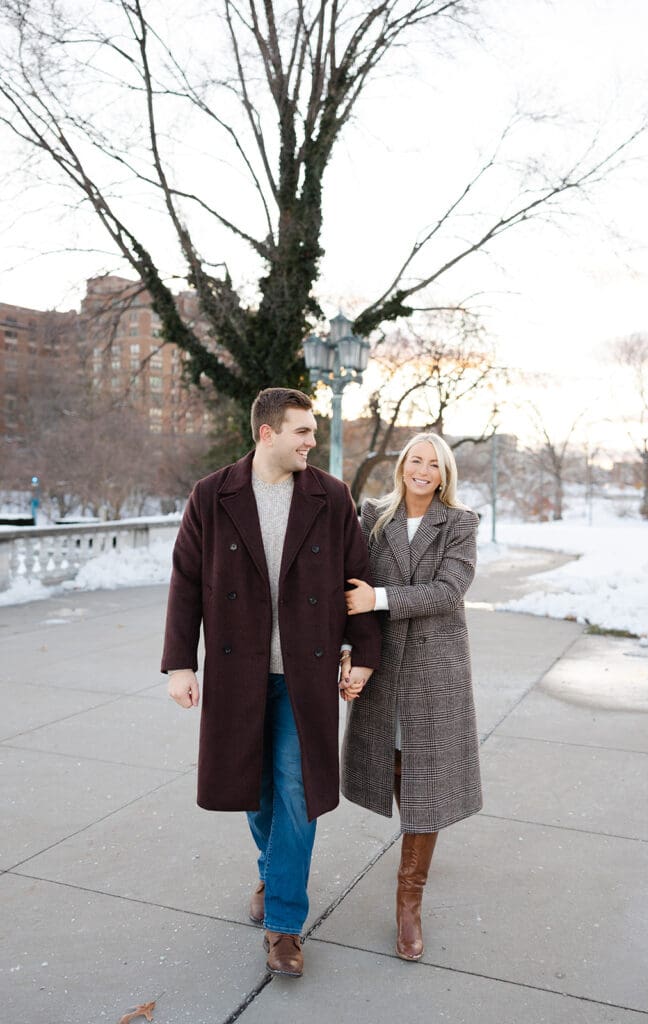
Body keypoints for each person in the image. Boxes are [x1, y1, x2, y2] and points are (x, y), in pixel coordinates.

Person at [161, 387, 381, 978]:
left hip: (305, 674)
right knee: (253, 790)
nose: (312, 441)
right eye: (302, 431)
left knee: (295, 790)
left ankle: (284, 924)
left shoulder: (331, 496)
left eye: (312, 431)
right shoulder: (213, 495)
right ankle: (272, 869)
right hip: (239, 673)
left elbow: (357, 578)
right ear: (267, 433)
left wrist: (363, 653)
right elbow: (185, 581)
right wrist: (181, 664)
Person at [340, 432, 482, 962]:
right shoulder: (373, 517)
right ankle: (418, 848)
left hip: (436, 669)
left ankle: (409, 902)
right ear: (402, 466)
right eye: (415, 460)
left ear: (444, 475)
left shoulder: (460, 523)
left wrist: (377, 598)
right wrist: (349, 649)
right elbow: (348, 586)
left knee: (427, 781)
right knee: (396, 764)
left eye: (433, 464)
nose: (422, 470)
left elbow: (448, 591)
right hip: (384, 663)